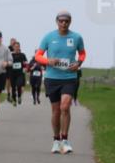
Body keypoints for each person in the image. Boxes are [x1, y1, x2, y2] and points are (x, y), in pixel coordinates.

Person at [35, 11, 86, 155]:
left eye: (67, 21)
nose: (64, 23)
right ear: (56, 21)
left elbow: (82, 53)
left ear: (70, 22)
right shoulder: (49, 37)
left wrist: (79, 63)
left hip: (69, 77)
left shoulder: (76, 37)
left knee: (65, 106)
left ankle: (65, 140)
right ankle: (56, 140)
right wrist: (48, 61)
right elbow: (38, 56)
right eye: (61, 21)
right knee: (56, 110)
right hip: (52, 78)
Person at [8, 41, 28, 105]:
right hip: (12, 73)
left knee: (19, 85)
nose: (16, 48)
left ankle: (19, 96)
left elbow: (26, 63)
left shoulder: (22, 55)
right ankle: (14, 100)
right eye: (15, 46)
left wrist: (25, 68)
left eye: (17, 46)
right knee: (13, 87)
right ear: (13, 47)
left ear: (19, 47)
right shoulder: (10, 55)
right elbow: (7, 63)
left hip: (20, 73)